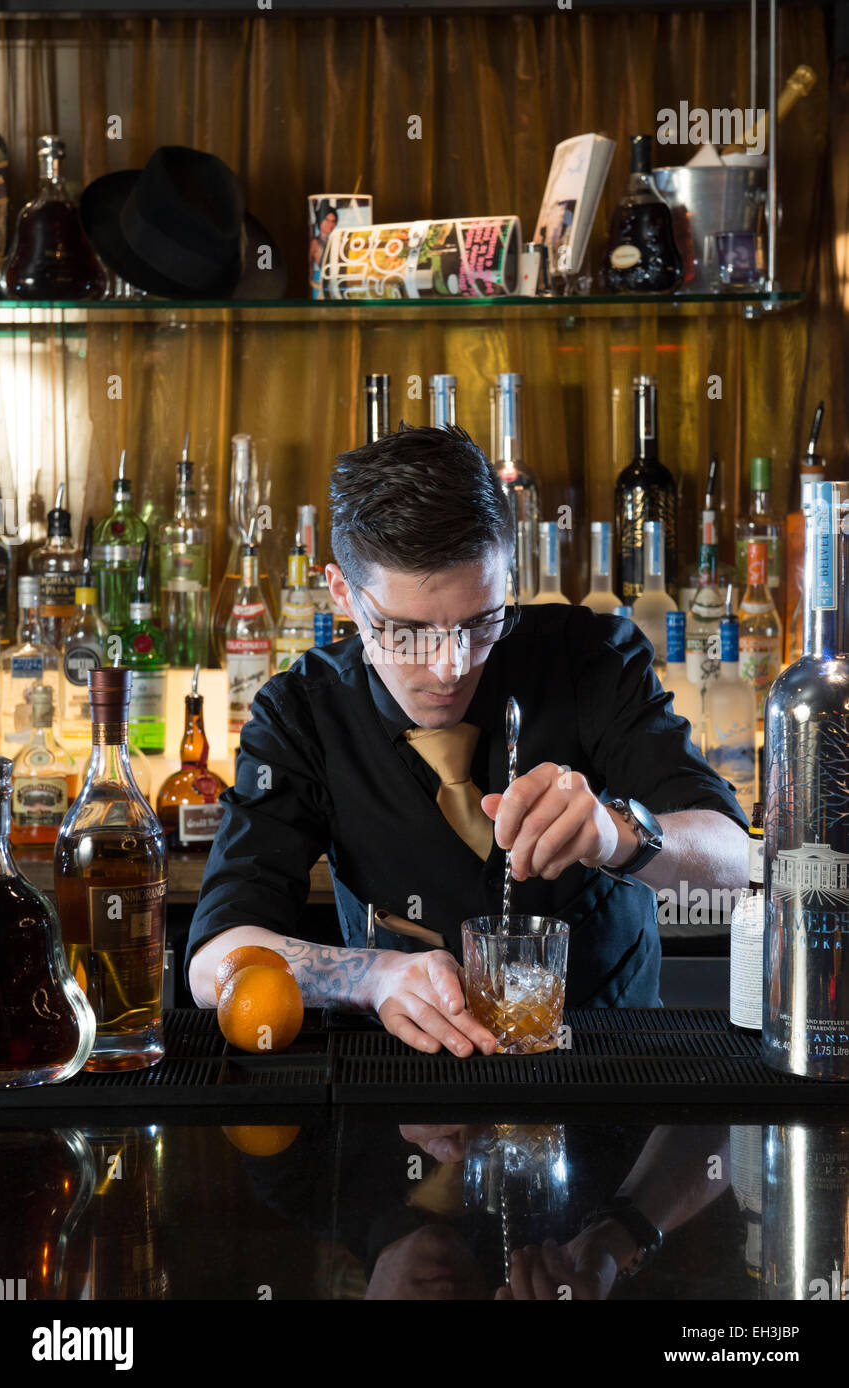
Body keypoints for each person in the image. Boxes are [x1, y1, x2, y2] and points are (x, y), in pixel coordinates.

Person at [187, 423, 748, 1055]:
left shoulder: (592, 660)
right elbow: (214, 959)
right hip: (400, 1083)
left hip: (606, 1067)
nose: (449, 665)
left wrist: (617, 832)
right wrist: (371, 977)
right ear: (343, 592)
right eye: (406, 629)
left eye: (480, 622)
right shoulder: (302, 713)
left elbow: (732, 863)